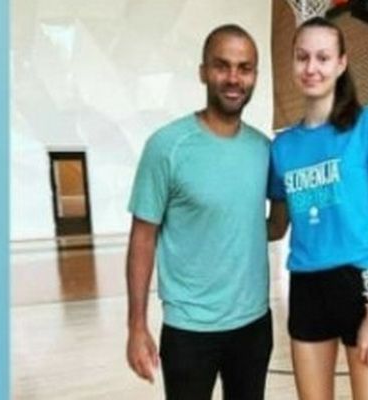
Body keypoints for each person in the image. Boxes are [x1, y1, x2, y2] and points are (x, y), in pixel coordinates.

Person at [267, 17, 368, 400]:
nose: (311, 67)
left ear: (341, 63)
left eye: (323, 57)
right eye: (302, 57)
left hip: (359, 285)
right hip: (306, 287)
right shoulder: (282, 148)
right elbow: (275, 227)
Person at [125, 24, 272, 400]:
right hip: (189, 330)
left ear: (255, 75)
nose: (234, 78)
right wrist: (136, 326)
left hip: (254, 325)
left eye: (245, 68)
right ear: (203, 71)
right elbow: (142, 239)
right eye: (222, 66)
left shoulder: (264, 149)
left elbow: (271, 226)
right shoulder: (167, 146)